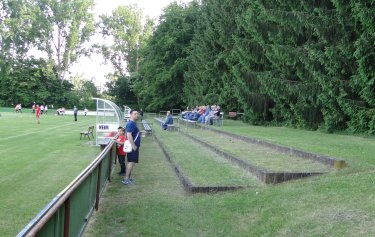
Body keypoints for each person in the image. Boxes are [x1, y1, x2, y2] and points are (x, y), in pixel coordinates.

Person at [122, 110, 141, 185]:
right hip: (133, 147)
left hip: (134, 146)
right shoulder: (130, 123)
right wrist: (133, 146)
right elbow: (128, 135)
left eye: (137, 114)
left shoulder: (133, 123)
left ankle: (128, 178)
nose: (137, 115)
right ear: (130, 115)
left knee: (132, 162)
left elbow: (132, 134)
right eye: (135, 114)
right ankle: (126, 179)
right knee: (131, 162)